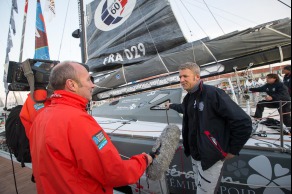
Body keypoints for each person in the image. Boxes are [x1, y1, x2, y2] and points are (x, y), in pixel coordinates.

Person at [29, 61, 153, 194]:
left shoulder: (41, 118)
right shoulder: (78, 121)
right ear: (72, 84)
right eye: (88, 79)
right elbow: (114, 173)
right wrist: (144, 160)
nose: (92, 85)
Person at [178, 62, 252, 194]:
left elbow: (243, 122)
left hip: (211, 157)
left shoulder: (213, 94)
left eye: (185, 76)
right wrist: (171, 105)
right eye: (180, 77)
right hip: (195, 156)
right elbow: (185, 110)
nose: (182, 80)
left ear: (196, 76)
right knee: (202, 189)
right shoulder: (188, 98)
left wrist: (233, 150)